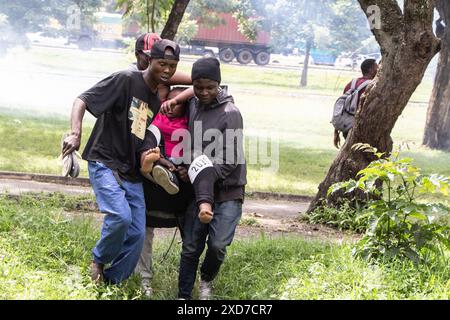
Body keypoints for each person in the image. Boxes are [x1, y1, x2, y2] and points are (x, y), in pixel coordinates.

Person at [61, 39, 181, 285]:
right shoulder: (126, 79)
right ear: (149, 60)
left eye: (172, 65)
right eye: (162, 64)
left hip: (130, 170)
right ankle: (98, 260)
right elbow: (82, 100)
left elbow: (139, 133)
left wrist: (160, 158)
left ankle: (110, 283)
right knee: (120, 217)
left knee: (137, 234)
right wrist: (75, 133)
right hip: (104, 160)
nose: (167, 70)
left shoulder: (156, 100)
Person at [172, 57, 247, 300]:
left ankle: (206, 278)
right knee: (191, 246)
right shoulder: (193, 103)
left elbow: (230, 158)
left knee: (217, 246)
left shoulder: (230, 113)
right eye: (199, 87)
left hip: (227, 190)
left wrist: (201, 174)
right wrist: (186, 166)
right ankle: (184, 297)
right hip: (197, 189)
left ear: (219, 85)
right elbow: (190, 144)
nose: (204, 92)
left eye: (210, 87)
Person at [135, 87, 194, 298]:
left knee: (192, 241)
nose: (170, 105)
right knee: (144, 233)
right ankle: (143, 279)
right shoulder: (155, 122)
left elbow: (197, 85)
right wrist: (158, 158)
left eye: (177, 102)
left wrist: (185, 167)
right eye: (167, 101)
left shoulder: (192, 127)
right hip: (153, 181)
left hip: (183, 187)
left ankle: (189, 284)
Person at [334, 58, 378, 148]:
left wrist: (336, 131)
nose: (378, 70)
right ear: (371, 70)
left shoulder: (351, 84)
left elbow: (342, 107)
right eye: (376, 67)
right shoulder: (372, 86)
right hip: (360, 127)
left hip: (346, 125)